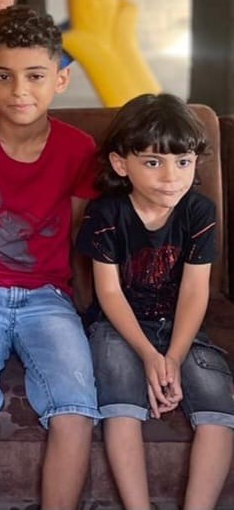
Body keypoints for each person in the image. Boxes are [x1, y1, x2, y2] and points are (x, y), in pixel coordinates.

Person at [0, 5, 99, 510]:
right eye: (3, 76)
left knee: (76, 406)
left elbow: (75, 235)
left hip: (48, 297)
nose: (19, 91)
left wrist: (85, 308)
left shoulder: (79, 149)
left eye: (35, 76)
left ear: (61, 79)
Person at [76, 93, 234, 510]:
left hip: (180, 324)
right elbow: (109, 292)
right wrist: (149, 355)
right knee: (120, 406)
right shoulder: (106, 214)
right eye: (152, 162)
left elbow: (195, 290)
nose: (170, 177)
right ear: (120, 164)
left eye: (183, 162)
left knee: (219, 407)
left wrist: (174, 357)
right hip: (118, 325)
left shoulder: (199, 212)